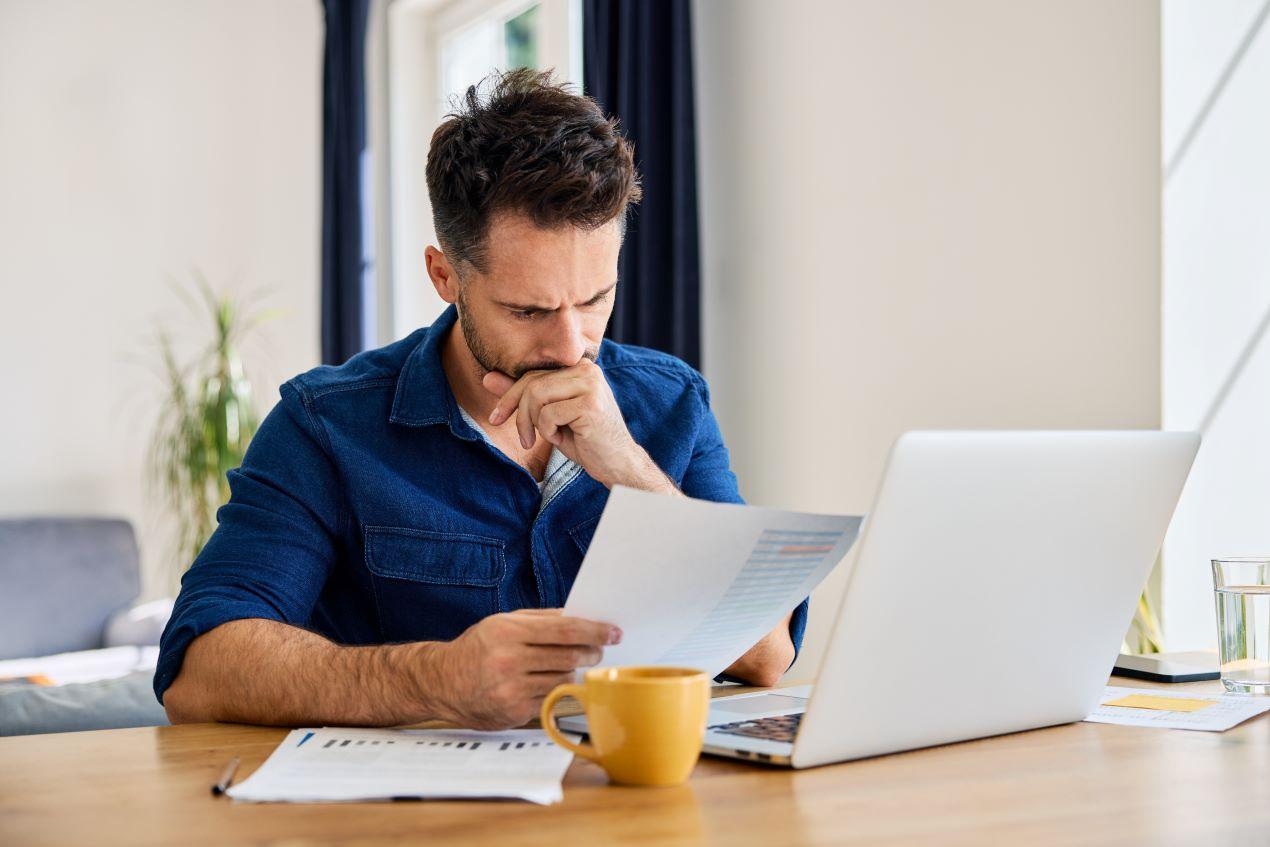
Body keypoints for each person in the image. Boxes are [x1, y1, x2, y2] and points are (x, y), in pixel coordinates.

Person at [157, 69, 808, 730]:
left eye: (594, 299)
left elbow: (765, 655)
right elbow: (198, 667)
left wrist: (632, 473)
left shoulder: (671, 401)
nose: (569, 344)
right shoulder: (325, 426)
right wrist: (436, 678)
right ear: (446, 275)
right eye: (527, 309)